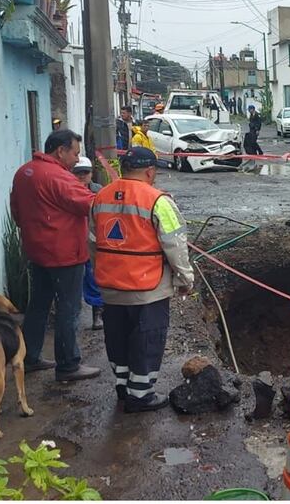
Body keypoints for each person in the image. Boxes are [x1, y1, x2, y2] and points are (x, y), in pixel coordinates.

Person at [91, 147, 194, 412]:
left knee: (118, 337)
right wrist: (185, 277)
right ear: (150, 171)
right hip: (147, 288)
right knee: (147, 339)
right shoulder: (158, 201)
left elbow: (93, 238)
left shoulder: (100, 197)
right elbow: (175, 244)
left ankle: (124, 387)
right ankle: (140, 395)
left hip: (111, 286)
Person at [10, 129, 100, 382]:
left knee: (37, 306)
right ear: (60, 150)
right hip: (65, 254)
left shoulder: (24, 172)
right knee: (68, 309)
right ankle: (69, 365)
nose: (76, 159)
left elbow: (16, 210)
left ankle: (30, 357)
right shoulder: (59, 177)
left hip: (37, 251)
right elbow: (91, 205)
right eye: (75, 153)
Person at [72, 157, 104, 330]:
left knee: (93, 277)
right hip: (73, 242)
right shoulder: (68, 191)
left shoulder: (99, 192)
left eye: (85, 172)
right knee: (75, 281)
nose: (82, 176)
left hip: (92, 240)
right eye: (78, 173)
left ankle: (97, 313)